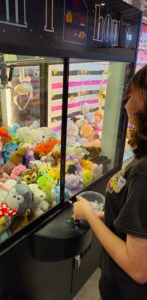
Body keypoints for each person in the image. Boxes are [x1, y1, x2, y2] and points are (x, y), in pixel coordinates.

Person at [73, 65, 147, 300]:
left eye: (131, 95)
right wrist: (108, 215)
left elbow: (138, 269)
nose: (126, 104)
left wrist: (91, 215)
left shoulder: (144, 173)